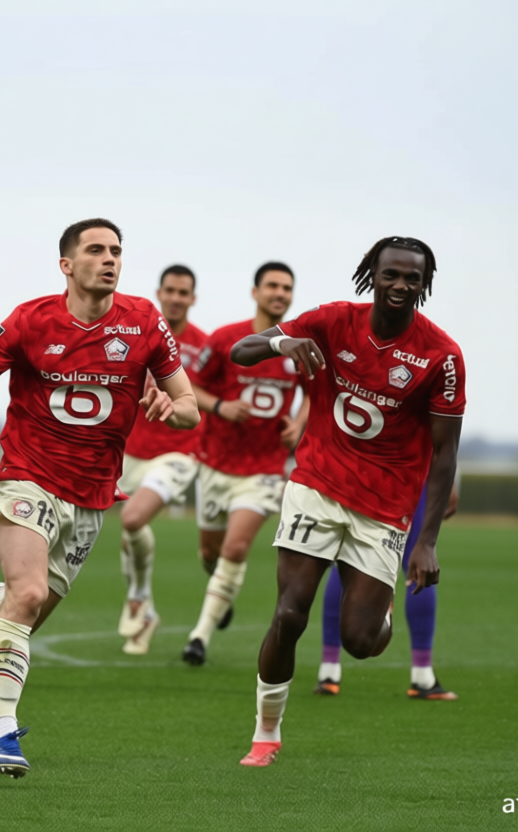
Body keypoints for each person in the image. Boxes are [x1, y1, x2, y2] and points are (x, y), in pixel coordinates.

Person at [0, 218, 199, 778]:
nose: (110, 259)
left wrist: (170, 407)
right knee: (26, 594)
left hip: (93, 496)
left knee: (22, 612)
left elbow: (188, 407)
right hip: (28, 477)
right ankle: (2, 737)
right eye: (96, 250)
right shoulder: (29, 320)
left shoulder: (143, 321)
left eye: (116, 250)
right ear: (67, 265)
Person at [229, 236, 465, 767]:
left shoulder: (442, 356)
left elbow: (445, 453)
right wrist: (280, 344)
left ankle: (376, 609)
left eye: (413, 278)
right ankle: (266, 734)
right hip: (316, 487)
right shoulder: (332, 320)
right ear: (371, 276)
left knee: (360, 640)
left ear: (425, 284)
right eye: (391, 275)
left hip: (384, 509)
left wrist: (426, 542)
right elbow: (238, 352)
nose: (401, 285)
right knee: (290, 614)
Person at [180, 262, 306, 666]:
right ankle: (222, 593)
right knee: (210, 552)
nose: (279, 293)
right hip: (215, 463)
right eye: (272, 285)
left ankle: (199, 637)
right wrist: (221, 406)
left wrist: (299, 424)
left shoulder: (299, 343)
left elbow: (319, 393)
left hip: (266, 469)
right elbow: (187, 385)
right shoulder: (226, 339)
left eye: (286, 287)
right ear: (255, 292)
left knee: (236, 547)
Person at [115, 264, 208, 655]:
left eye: (183, 292)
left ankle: (138, 595)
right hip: (129, 453)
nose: (175, 298)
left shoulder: (205, 348)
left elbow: (215, 396)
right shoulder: (139, 334)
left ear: (192, 298)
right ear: (160, 292)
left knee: (133, 518)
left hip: (179, 452)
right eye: (169, 290)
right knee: (127, 535)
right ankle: (146, 611)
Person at [315, 482, 460, 700]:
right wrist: (448, 482)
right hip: (408, 471)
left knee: (346, 557)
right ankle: (422, 675)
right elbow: (440, 449)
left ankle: (329, 670)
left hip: (361, 472)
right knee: (417, 559)